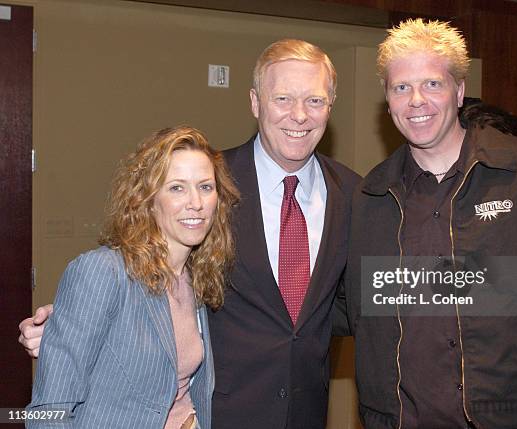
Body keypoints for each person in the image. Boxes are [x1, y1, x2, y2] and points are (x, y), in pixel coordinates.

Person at [20, 39, 360, 429]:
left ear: (330, 106)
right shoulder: (212, 180)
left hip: (304, 414)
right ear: (255, 102)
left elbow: (350, 306)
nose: (299, 115)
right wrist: (66, 330)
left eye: (314, 101)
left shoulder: (355, 194)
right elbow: (132, 268)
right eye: (282, 98)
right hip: (220, 414)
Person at [343, 18, 517, 429]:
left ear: (459, 91)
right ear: (388, 99)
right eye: (401, 87)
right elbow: (357, 309)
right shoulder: (371, 198)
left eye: (432, 84)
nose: (416, 101)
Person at [25, 126, 239, 428]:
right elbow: (48, 410)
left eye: (205, 187)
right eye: (177, 187)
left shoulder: (198, 277)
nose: (196, 202)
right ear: (148, 199)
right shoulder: (103, 272)